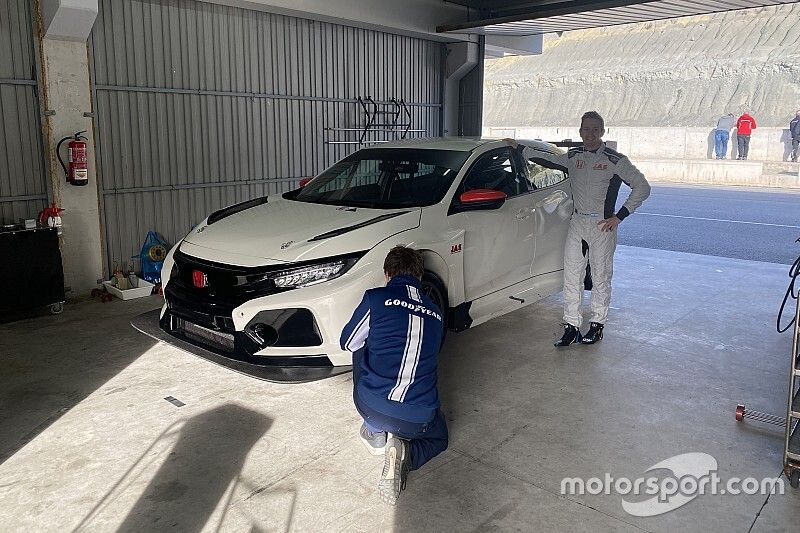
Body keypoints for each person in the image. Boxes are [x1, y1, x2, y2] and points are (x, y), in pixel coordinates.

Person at [504, 111, 651, 347]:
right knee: (572, 276)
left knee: (601, 277)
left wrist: (619, 217)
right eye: (586, 129)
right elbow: (544, 159)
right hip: (577, 224)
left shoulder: (616, 160)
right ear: (580, 132)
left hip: (602, 227)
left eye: (595, 130)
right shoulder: (572, 157)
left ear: (602, 132)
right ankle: (571, 326)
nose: (590, 134)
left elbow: (642, 187)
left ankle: (597, 325)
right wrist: (519, 148)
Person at [340, 245, 448, 505]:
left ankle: (376, 432)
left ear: (388, 274)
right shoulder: (436, 313)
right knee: (440, 438)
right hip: (418, 419)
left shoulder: (375, 298)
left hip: (370, 407)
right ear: (420, 277)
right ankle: (407, 452)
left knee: (361, 343)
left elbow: (347, 342)